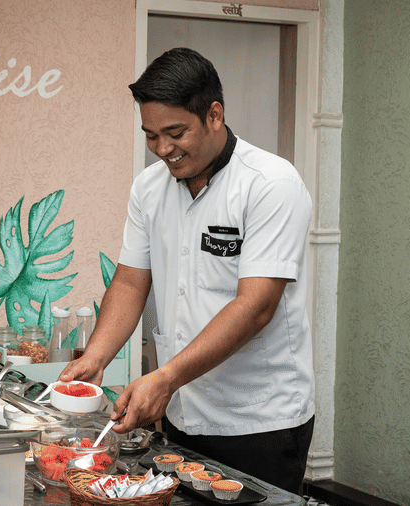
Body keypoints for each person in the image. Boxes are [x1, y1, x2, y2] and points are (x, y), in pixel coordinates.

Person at [59, 47, 315, 495]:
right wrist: (95, 357)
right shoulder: (149, 188)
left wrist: (165, 377)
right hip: (181, 409)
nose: (163, 150)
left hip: (259, 419)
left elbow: (255, 307)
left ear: (214, 115)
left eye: (175, 133)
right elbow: (131, 281)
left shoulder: (271, 184)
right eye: (151, 135)